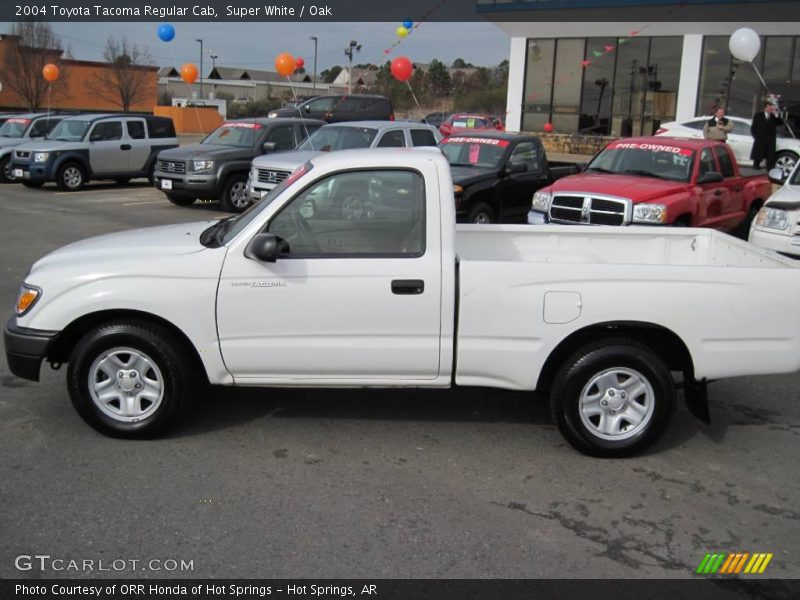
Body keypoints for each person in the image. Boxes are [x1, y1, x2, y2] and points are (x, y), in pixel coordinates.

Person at [750, 101, 783, 169]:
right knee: (758, 153)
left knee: (770, 154)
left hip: (770, 139)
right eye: (768, 108)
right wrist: (755, 136)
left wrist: (777, 115)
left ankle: (769, 167)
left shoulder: (773, 116)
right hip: (760, 138)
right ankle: (756, 165)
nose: (770, 110)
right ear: (765, 108)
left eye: (771, 108)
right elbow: (754, 127)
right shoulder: (759, 115)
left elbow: (780, 123)